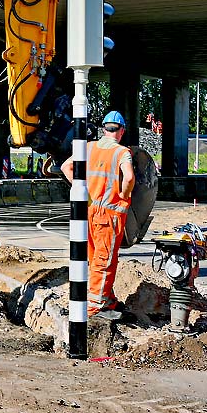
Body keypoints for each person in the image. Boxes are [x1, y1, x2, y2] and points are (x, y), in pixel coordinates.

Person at [60, 111, 135, 321]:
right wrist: (124, 193)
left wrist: (80, 187)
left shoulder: (87, 146)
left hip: (88, 210)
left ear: (104, 129)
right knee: (105, 260)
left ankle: (107, 298)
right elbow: (129, 177)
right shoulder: (122, 152)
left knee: (94, 258)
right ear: (121, 131)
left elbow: (66, 167)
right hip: (109, 214)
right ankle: (95, 307)